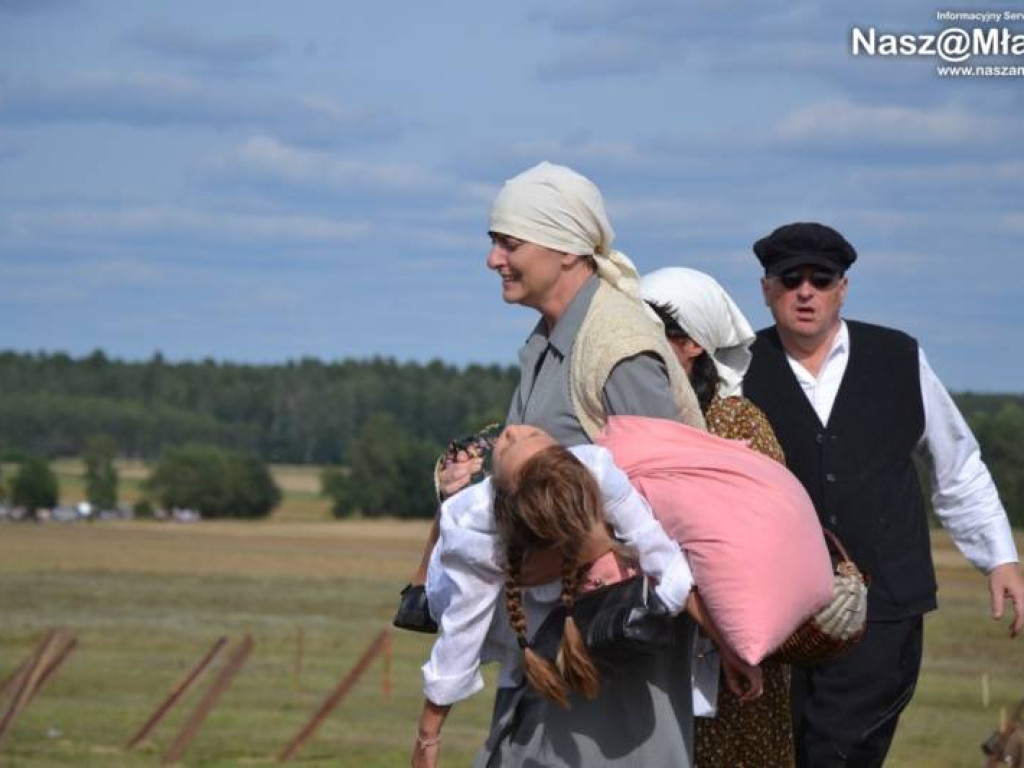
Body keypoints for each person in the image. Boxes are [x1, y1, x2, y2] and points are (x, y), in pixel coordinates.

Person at [406, 162, 707, 767]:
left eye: (508, 242)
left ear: (568, 250)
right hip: (559, 648)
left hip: (612, 660)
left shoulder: (617, 347)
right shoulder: (553, 340)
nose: (494, 259)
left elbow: (667, 507)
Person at [742, 222, 1024, 768]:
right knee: (787, 751)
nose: (806, 291)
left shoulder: (898, 357)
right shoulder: (739, 367)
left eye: (820, 279)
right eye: (790, 278)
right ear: (766, 289)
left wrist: (1000, 557)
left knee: (839, 749)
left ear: (842, 289)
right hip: (777, 612)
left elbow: (958, 466)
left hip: (885, 610)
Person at [413, 424, 763, 768]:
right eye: (508, 446)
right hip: (515, 637)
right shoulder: (472, 532)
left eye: (532, 436)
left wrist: (728, 647)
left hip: (576, 625)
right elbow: (461, 635)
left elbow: (663, 559)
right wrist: (428, 736)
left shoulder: (594, 469)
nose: (512, 430)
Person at [641, 266, 796, 767]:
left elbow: (771, 541)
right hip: (644, 639)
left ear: (691, 345)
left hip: (723, 647)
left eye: (654, 334)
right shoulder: (629, 416)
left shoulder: (736, 421)